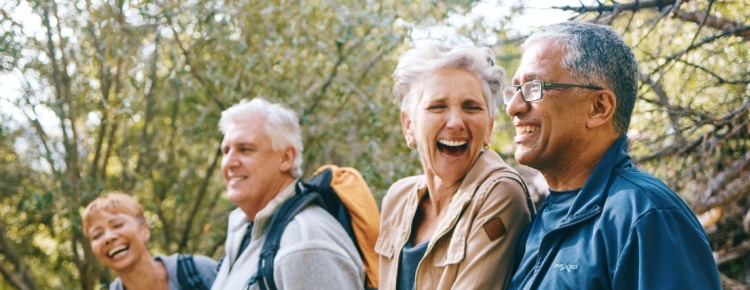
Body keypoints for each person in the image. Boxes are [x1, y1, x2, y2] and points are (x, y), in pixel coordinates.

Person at [504, 21, 721, 289]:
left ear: (598, 107)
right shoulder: (540, 219)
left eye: (533, 87)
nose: (513, 107)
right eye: (515, 90)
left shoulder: (647, 217)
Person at [376, 39, 533, 290]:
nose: (455, 122)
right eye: (437, 106)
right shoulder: (397, 198)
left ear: (489, 128)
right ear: (408, 126)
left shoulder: (500, 194)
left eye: (471, 107)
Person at [211, 98, 365, 289]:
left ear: (286, 158)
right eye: (226, 151)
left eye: (245, 149)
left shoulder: (304, 243)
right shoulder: (244, 229)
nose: (230, 163)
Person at [83, 192, 218, 290]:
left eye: (118, 225)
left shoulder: (199, 272)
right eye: (97, 235)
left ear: (144, 230)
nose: (108, 237)